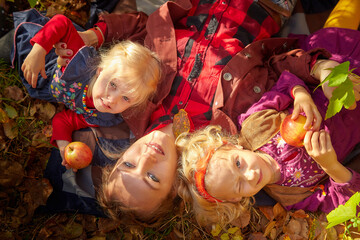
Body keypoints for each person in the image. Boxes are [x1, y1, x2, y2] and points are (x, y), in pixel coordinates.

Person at [52, 0, 352, 224]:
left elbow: (141, 28)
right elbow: (278, 64)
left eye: (129, 165)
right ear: (174, 188)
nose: (147, 158)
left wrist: (92, 36)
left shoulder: (130, 100)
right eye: (154, 178)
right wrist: (313, 67)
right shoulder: (230, 133)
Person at [177, 57, 360, 226]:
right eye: (239, 185)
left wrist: (300, 95)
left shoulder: (255, 126)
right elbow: (347, 202)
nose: (249, 175)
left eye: (238, 163)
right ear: (237, 199)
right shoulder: (291, 196)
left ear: (232, 145)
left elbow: (285, 82)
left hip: (337, 81)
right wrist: (330, 166)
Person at [12, 10, 161, 167]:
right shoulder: (82, 64)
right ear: (100, 70)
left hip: (39, 84)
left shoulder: (104, 115)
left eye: (126, 98)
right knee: (13, 38)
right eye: (113, 84)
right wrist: (39, 50)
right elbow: (61, 23)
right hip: (33, 46)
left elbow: (64, 120)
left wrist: (64, 147)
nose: (112, 99)